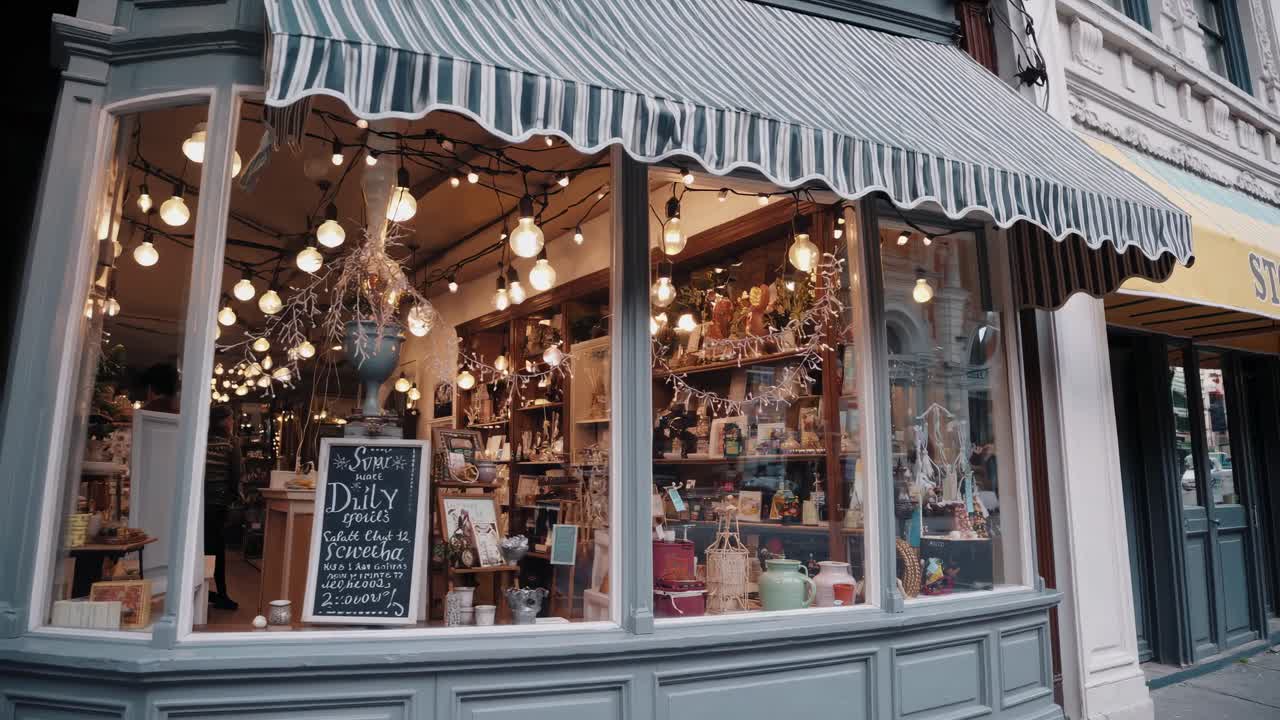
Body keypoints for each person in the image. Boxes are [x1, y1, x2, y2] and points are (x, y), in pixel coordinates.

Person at [204, 404, 241, 611]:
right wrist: (233, 497)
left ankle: (199, 590)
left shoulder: (203, 440)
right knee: (217, 550)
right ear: (225, 420)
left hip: (201, 503)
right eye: (231, 418)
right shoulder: (231, 442)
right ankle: (222, 594)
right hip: (218, 504)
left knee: (201, 547)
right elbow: (235, 474)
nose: (232, 422)